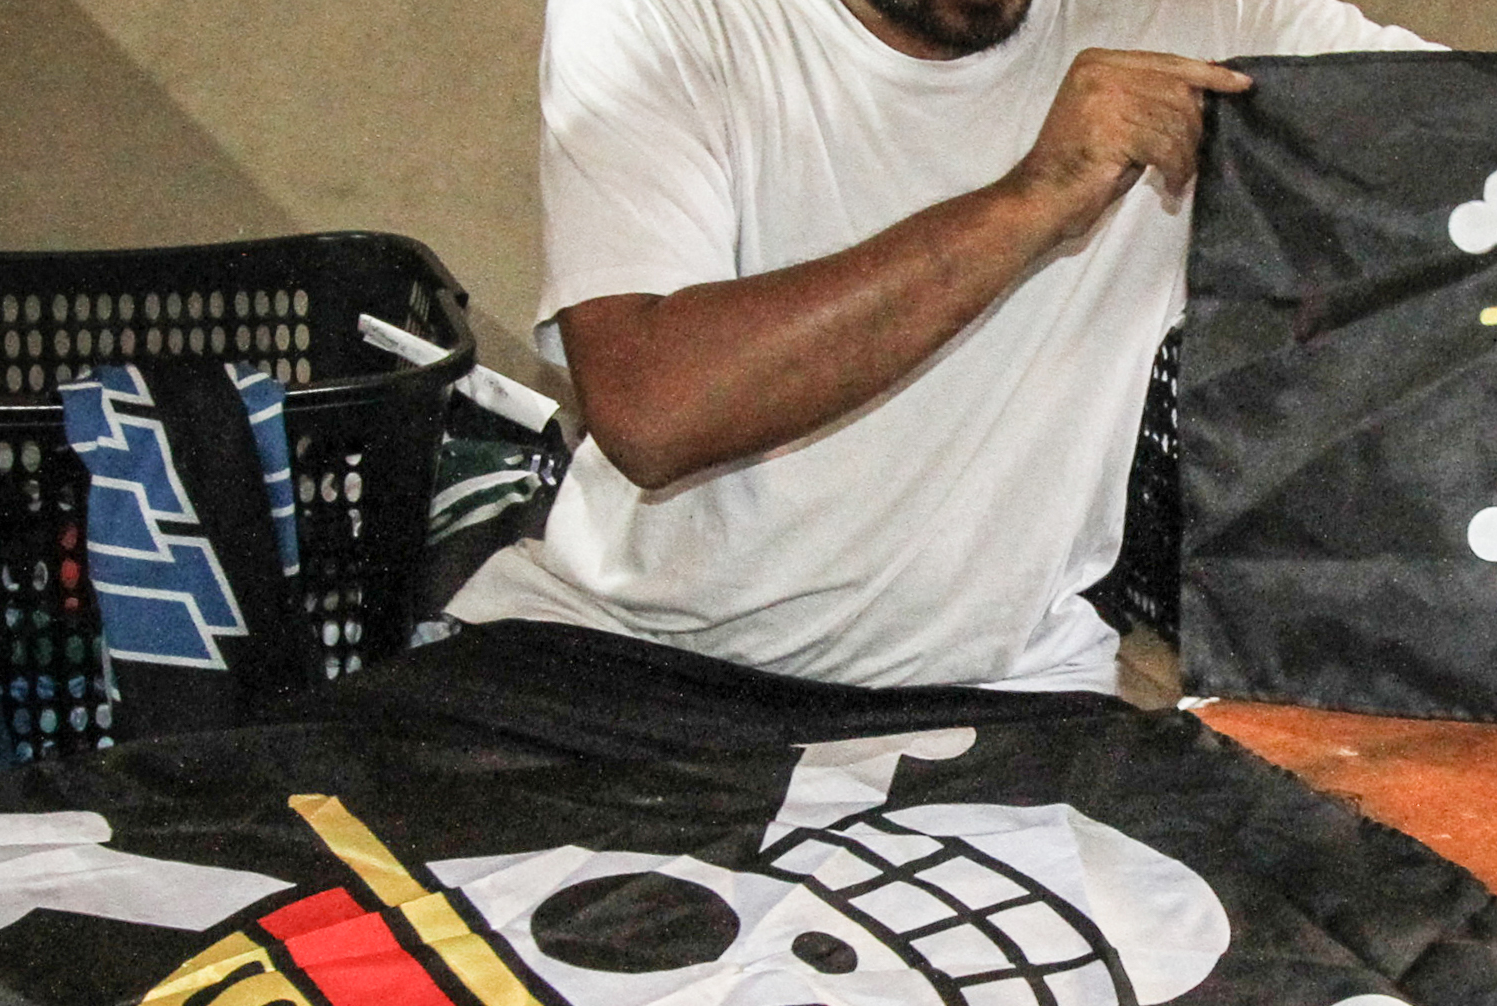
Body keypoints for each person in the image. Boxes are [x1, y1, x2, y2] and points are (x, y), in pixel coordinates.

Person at [447, 0, 1430, 694]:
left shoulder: (1207, 16)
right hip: (633, 658)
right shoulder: (670, 17)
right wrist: (1035, 198)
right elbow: (652, 407)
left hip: (996, 693)